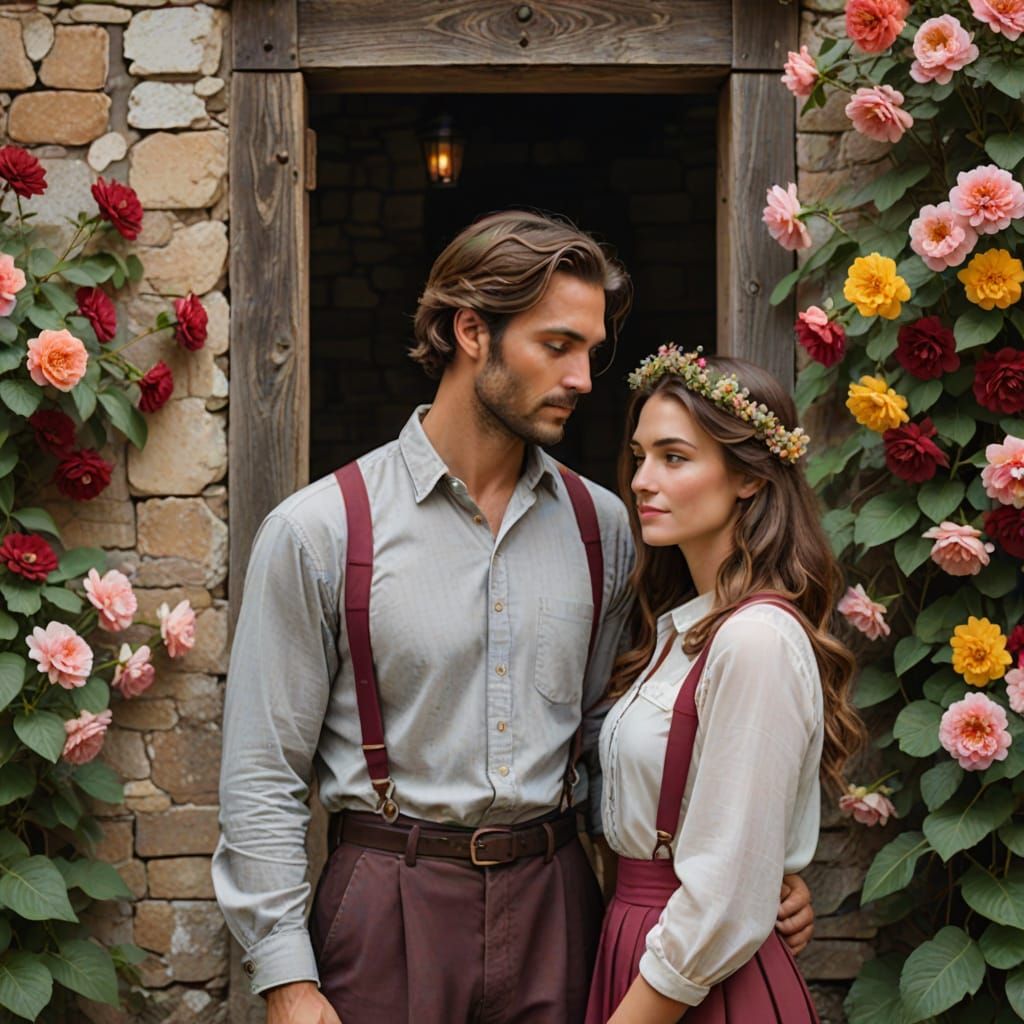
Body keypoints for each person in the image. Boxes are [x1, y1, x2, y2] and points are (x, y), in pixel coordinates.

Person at [212, 212, 815, 1024]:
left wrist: (739, 866)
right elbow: (261, 777)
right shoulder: (318, 529)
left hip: (556, 904)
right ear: (471, 332)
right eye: (557, 346)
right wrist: (286, 978)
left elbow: (619, 738)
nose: (583, 379)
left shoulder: (604, 526)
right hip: (389, 901)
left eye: (592, 354)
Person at [585, 347, 865, 1024]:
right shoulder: (681, 631)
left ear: (746, 476)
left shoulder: (754, 640)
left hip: (693, 981)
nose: (643, 480)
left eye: (674, 457)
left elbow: (724, 894)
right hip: (640, 946)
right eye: (639, 455)